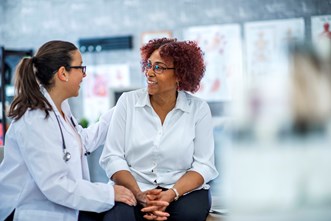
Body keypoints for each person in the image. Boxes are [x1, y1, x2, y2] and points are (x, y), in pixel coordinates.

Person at [0, 40, 137, 221]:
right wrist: (108, 193)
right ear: (63, 73)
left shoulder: (60, 106)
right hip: (30, 210)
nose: (84, 74)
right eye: (80, 67)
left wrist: (123, 107)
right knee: (120, 210)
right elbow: (55, 185)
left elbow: (82, 141)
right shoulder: (35, 120)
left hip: (60, 204)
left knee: (122, 211)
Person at [100, 38, 219, 221]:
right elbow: (113, 157)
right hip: (134, 185)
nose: (149, 72)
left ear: (180, 74)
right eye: (149, 65)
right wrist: (139, 194)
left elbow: (204, 165)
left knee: (189, 214)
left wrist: (170, 194)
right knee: (119, 216)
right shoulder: (127, 102)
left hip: (181, 190)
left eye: (159, 67)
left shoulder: (198, 109)